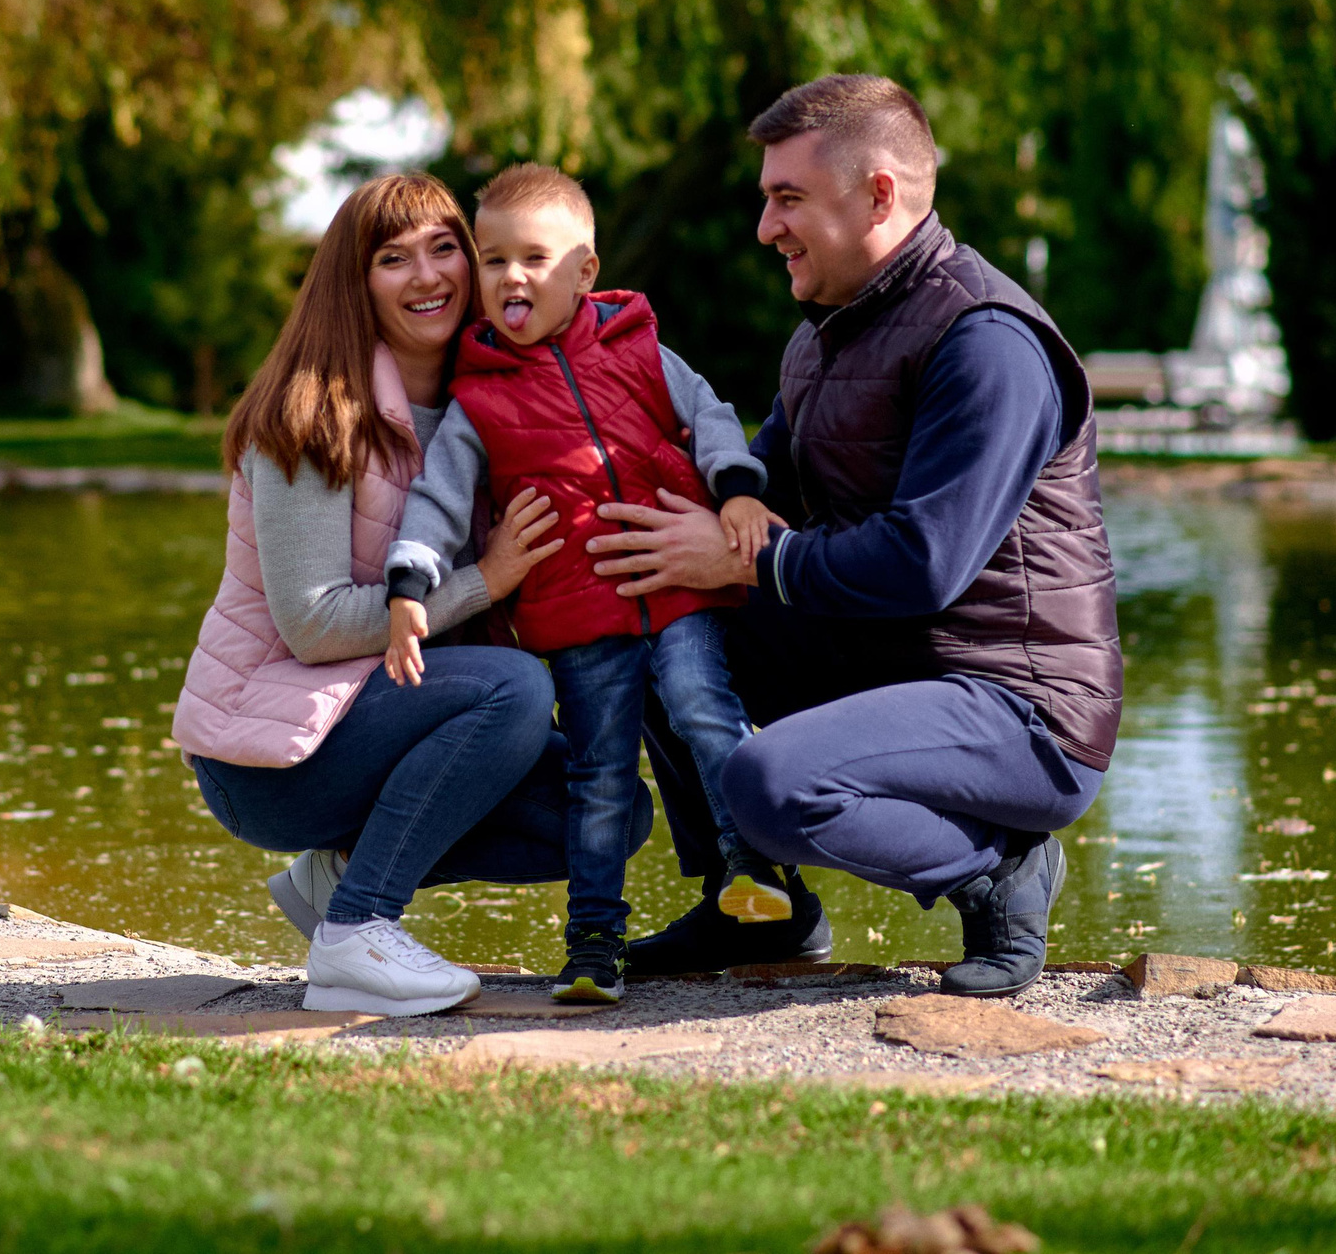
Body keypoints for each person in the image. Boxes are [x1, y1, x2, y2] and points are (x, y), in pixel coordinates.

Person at [584, 75, 1123, 997]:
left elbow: (924, 563)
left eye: (786, 198)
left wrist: (749, 556)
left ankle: (998, 869)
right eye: (767, 199)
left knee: (772, 782)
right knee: (645, 605)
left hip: (1022, 707)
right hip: (899, 664)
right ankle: (759, 896)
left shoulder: (984, 339)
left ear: (879, 194)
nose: (765, 227)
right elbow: (753, 498)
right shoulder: (826, 336)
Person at [174, 173, 647, 1017]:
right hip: (269, 758)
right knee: (513, 690)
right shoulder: (312, 413)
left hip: (371, 718)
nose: (426, 276)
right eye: (393, 259)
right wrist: (485, 579)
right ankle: (358, 929)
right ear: (355, 283)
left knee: (608, 810)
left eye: (443, 249)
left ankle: (338, 874)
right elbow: (313, 623)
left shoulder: (493, 402)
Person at [379, 163, 787, 1005]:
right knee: (598, 777)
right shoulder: (479, 396)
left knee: (702, 704)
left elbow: (708, 410)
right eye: (492, 261)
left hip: (676, 594)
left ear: (585, 272)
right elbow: (439, 497)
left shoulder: (638, 345)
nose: (510, 277)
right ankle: (594, 948)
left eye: (534, 257)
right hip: (579, 620)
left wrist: (738, 485)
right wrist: (411, 580)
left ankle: (751, 862)